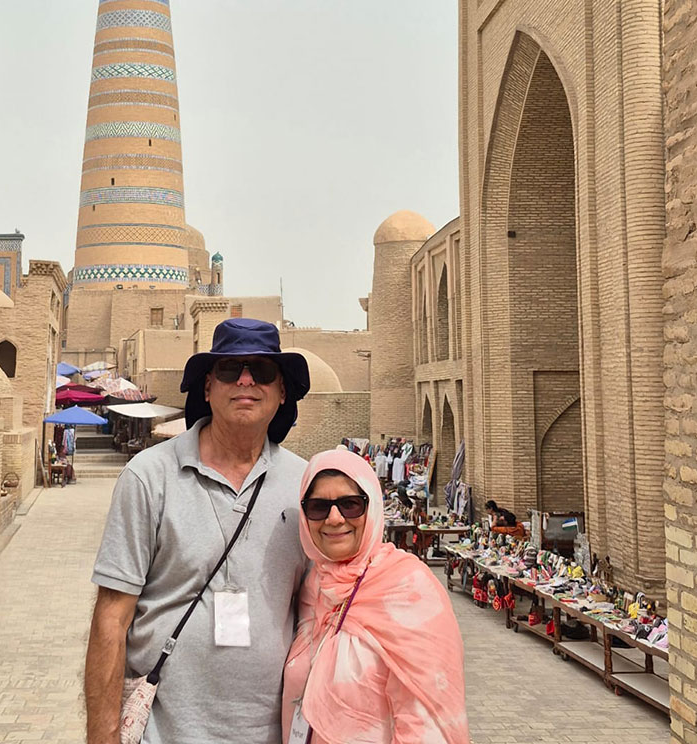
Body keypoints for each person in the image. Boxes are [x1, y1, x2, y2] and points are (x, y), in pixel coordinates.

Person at [85, 318, 311, 744]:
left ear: (282, 391)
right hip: (162, 732)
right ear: (207, 386)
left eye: (262, 370)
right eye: (230, 369)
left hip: (270, 732)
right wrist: (103, 735)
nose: (246, 380)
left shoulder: (305, 487)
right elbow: (112, 618)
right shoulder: (150, 477)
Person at [283, 449, 469, 744]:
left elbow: (426, 726)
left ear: (371, 507)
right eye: (318, 507)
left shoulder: (409, 590)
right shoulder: (313, 586)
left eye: (350, 505)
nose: (334, 519)